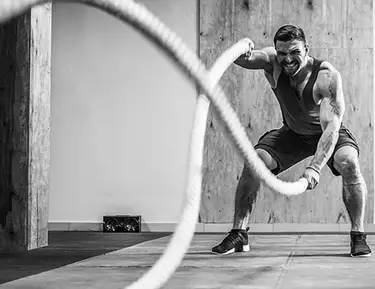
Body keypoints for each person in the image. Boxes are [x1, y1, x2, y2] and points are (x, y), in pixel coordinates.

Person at [211, 24, 372, 257]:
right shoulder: (272, 62)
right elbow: (243, 60)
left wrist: (315, 167)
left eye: (294, 52)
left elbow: (331, 129)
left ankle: (358, 236)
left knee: (349, 162)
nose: (287, 59)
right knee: (255, 161)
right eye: (282, 53)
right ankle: (239, 234)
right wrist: (240, 47)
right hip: (293, 133)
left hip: (327, 134)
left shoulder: (326, 77)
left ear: (306, 49)